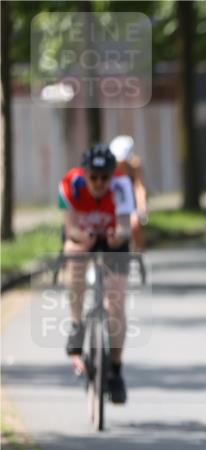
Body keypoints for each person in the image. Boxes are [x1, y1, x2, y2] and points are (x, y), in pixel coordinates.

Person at [60, 144, 134, 404]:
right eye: (94, 177)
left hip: (113, 239)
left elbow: (125, 228)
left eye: (105, 177)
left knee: (116, 303)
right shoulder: (72, 183)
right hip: (83, 236)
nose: (100, 183)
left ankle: (115, 370)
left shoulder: (123, 186)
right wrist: (84, 239)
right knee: (74, 257)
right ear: (85, 174)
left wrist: (116, 238)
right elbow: (70, 228)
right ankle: (77, 325)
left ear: (112, 175)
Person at [109, 135, 149, 251]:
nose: (120, 164)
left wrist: (142, 207)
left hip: (130, 203)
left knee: (135, 223)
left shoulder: (134, 165)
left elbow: (139, 187)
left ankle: (138, 254)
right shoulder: (109, 169)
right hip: (114, 204)